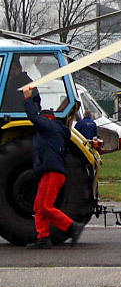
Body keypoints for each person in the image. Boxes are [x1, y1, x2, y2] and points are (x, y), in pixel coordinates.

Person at [21, 86, 85, 249]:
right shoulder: (53, 130)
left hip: (52, 172)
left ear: (47, 119)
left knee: (44, 206)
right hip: (49, 172)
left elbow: (34, 117)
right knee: (39, 206)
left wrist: (27, 99)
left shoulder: (49, 127)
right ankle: (43, 238)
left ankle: (72, 226)